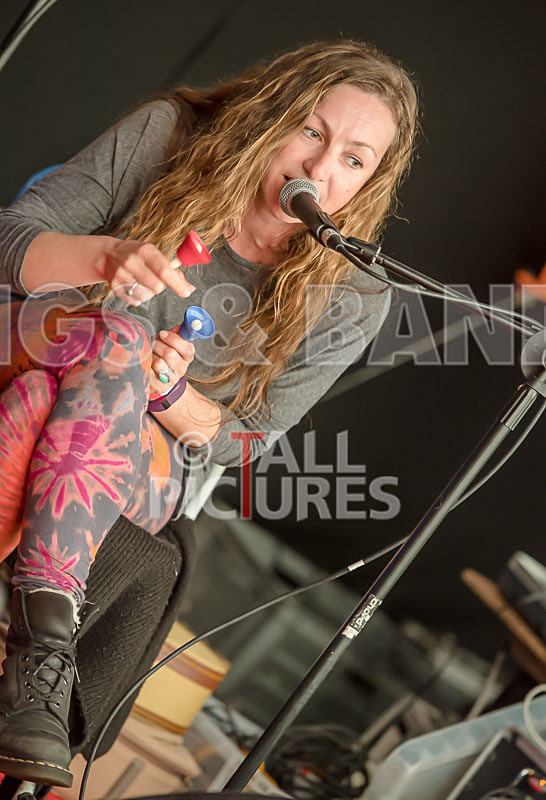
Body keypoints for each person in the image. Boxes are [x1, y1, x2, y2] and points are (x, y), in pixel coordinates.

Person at [0, 40, 419, 786]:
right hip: (31, 350)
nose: (321, 170)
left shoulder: (352, 294)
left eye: (355, 159)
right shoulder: (165, 135)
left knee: (63, 393)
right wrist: (98, 262)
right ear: (270, 113)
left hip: (141, 453)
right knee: (100, 346)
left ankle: (37, 654)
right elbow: (10, 240)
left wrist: (169, 394)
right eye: (312, 131)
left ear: (371, 183)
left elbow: (244, 443)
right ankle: (40, 665)